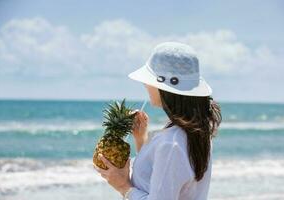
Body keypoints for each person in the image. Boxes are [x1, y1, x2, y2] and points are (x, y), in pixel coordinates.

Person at [94, 42, 222, 200]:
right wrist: (141, 139)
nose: (145, 84)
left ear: (165, 87)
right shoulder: (197, 132)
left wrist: (123, 186)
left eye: (150, 80)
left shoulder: (170, 143)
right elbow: (160, 178)